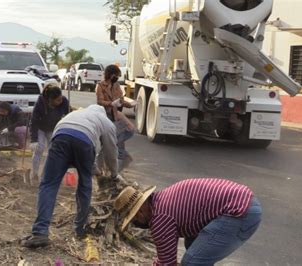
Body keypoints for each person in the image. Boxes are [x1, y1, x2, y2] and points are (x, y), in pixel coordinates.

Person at [22, 105, 121, 248]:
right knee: (85, 185)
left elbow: (65, 137)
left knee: (49, 184)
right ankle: (80, 229)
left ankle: (40, 232)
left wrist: (94, 169)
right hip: (84, 143)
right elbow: (111, 152)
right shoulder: (106, 122)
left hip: (60, 138)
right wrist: (114, 173)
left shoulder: (78, 113)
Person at [114, 178, 262, 266]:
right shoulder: (161, 199)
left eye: (134, 219)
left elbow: (167, 263)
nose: (138, 223)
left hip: (239, 211)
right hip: (245, 200)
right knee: (191, 245)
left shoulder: (159, 218)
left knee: (192, 262)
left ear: (140, 211)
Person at [96, 64, 135, 170]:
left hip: (115, 115)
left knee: (127, 133)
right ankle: (102, 170)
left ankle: (117, 171)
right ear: (111, 75)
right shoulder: (100, 86)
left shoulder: (117, 85)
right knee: (105, 142)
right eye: (116, 75)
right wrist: (111, 103)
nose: (117, 77)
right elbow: (99, 101)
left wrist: (129, 104)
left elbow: (121, 99)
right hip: (105, 116)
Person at [29, 85, 69, 181]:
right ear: (50, 99)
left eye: (61, 98)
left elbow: (68, 114)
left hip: (53, 128)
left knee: (52, 150)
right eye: (58, 100)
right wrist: (33, 139)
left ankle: (44, 174)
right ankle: (34, 173)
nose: (60, 101)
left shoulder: (64, 101)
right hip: (40, 128)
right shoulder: (40, 103)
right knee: (39, 148)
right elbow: (34, 121)